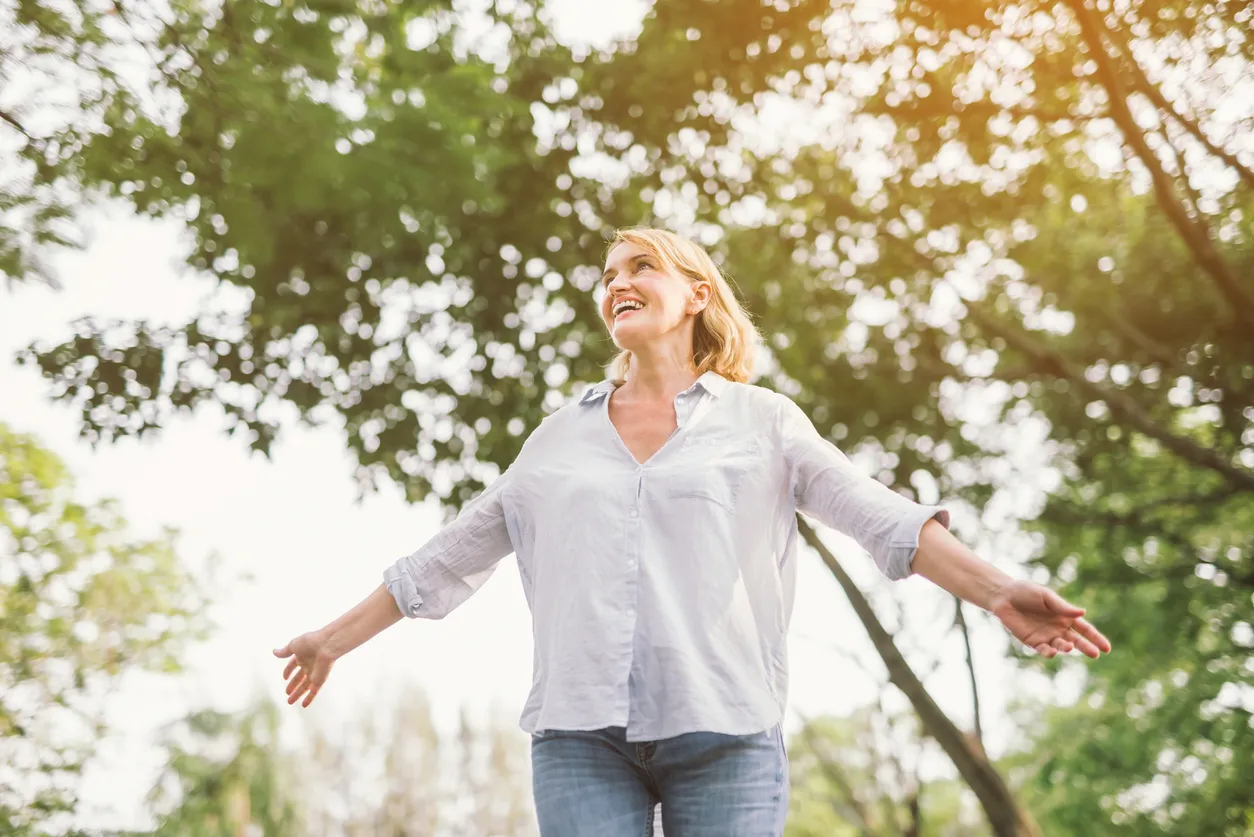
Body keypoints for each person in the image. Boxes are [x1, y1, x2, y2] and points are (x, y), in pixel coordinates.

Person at [274, 227, 1111, 836]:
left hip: (728, 736)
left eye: (641, 266)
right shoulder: (558, 438)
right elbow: (447, 557)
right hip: (580, 740)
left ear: (697, 294)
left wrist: (1000, 589)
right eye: (608, 275)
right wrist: (331, 639)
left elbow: (877, 514)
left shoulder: (763, 421)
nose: (617, 282)